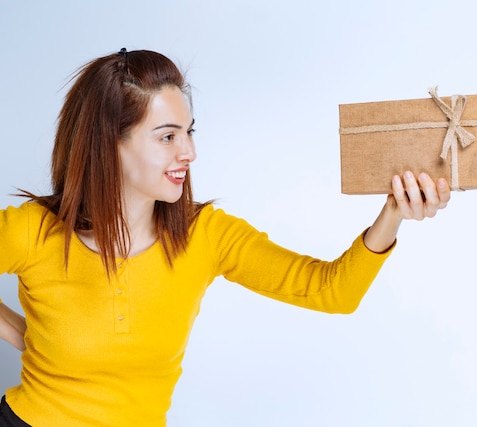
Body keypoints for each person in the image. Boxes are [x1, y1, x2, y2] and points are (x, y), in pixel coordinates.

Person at [0, 48, 450, 426]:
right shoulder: (32, 232)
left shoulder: (206, 236)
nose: (189, 152)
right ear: (109, 143)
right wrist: (23, 333)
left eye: (189, 132)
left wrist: (392, 214)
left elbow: (332, 291)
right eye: (167, 136)